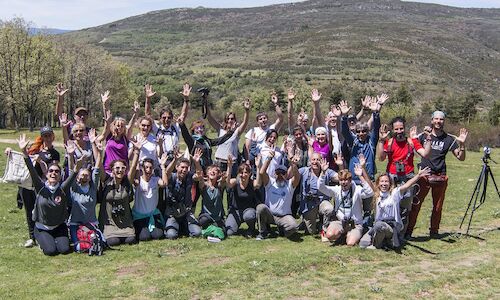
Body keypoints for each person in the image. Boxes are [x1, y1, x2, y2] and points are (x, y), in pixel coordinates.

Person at [406, 111, 468, 238]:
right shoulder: (423, 136)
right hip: (423, 175)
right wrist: (412, 137)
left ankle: (434, 231)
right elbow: (411, 146)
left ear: (444, 121)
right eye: (436, 119)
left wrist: (462, 144)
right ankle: (408, 231)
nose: (438, 121)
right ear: (432, 120)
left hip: (440, 176)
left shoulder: (449, 139)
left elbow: (460, 158)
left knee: (437, 207)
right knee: (416, 204)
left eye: (441, 119)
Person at [17, 134, 81, 256]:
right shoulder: (40, 187)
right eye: (51, 171)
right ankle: (41, 240)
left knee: (64, 250)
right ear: (46, 174)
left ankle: (57, 239)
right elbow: (31, 169)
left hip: (58, 227)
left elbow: (73, 174)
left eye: (57, 171)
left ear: (60, 175)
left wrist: (71, 155)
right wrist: (24, 152)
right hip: (42, 228)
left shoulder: (62, 188)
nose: (53, 173)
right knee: (51, 251)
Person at [5, 125, 60, 248]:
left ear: (53, 136)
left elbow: (51, 172)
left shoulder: (54, 154)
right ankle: (32, 237)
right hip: (26, 185)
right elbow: (22, 158)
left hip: (39, 186)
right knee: (29, 211)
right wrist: (9, 151)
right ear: (42, 137)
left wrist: (41, 162)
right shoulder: (34, 149)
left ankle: (43, 235)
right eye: (45, 136)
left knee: (40, 211)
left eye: (49, 135)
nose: (47, 138)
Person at [377, 117, 431, 235]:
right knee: (390, 205)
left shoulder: (412, 141)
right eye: (396, 129)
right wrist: (381, 141)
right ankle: (389, 233)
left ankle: (401, 235)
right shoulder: (389, 142)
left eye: (401, 128)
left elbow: (425, 154)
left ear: (404, 128)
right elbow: (381, 158)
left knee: (405, 208)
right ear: (392, 130)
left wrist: (428, 139)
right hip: (392, 177)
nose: (399, 131)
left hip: (408, 177)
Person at [359, 167, 431, 249]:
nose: (384, 184)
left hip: (392, 226)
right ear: (378, 183)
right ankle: (385, 242)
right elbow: (368, 182)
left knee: (379, 226)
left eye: (386, 181)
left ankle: (377, 245)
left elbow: (407, 185)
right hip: (378, 226)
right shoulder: (377, 194)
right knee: (363, 244)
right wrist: (363, 168)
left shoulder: (395, 193)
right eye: (382, 181)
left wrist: (418, 176)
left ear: (390, 183)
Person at [318, 157, 374, 246]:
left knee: (350, 243)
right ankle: (342, 234)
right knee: (329, 235)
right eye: (341, 180)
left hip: (355, 224)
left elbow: (370, 192)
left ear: (350, 181)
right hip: (340, 221)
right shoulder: (336, 190)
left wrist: (360, 176)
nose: (343, 182)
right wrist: (323, 172)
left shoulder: (357, 190)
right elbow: (321, 187)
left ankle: (349, 235)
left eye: (346, 180)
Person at [98, 136, 143, 246]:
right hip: (109, 223)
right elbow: (99, 167)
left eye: (123, 168)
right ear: (112, 170)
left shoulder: (127, 182)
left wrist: (137, 151)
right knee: (113, 242)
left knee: (130, 240)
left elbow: (132, 168)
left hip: (125, 222)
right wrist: (99, 152)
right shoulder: (106, 180)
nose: (120, 170)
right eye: (117, 168)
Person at [67, 130, 102, 251]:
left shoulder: (93, 188)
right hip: (75, 224)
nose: (84, 177)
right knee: (79, 247)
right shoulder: (74, 188)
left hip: (91, 223)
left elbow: (97, 169)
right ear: (77, 177)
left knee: (99, 242)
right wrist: (71, 156)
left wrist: (99, 152)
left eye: (87, 175)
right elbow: (71, 172)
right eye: (82, 175)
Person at [255, 150, 300, 240]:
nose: (280, 175)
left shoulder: (290, 184)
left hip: (284, 216)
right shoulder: (270, 182)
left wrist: (293, 164)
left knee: (294, 227)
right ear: (274, 174)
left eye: (283, 173)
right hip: (270, 215)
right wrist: (269, 159)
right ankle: (263, 232)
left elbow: (297, 177)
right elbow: (262, 172)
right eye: (277, 173)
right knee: (260, 207)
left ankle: (282, 231)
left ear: (286, 174)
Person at [144, 83, 191, 163]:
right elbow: (148, 115)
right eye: (164, 118)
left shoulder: (175, 128)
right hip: (159, 162)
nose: (166, 120)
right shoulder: (157, 128)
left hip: (174, 162)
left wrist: (186, 100)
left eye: (169, 118)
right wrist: (148, 99)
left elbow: (183, 115)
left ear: (172, 119)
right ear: (160, 119)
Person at [298, 152, 341, 236]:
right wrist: (293, 164)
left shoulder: (327, 171)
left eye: (318, 160)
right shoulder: (304, 171)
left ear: (322, 161)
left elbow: (340, 177)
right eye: (313, 159)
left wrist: (340, 166)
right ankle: (313, 223)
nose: (315, 162)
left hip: (323, 201)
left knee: (329, 209)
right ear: (310, 161)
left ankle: (324, 229)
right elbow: (293, 175)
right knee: (311, 232)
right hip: (309, 204)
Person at [163, 151, 201, 239]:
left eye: (186, 168)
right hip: (172, 213)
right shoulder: (171, 177)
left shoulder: (189, 176)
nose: (184, 170)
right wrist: (175, 160)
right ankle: (178, 227)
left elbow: (199, 176)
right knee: (171, 235)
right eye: (182, 167)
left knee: (197, 233)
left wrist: (196, 162)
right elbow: (166, 173)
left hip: (186, 212)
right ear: (176, 167)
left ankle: (183, 227)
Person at [208, 98, 250, 176]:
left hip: (231, 163)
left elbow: (245, 122)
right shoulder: (220, 129)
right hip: (219, 162)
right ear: (225, 120)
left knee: (230, 186)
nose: (230, 120)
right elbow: (209, 118)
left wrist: (247, 111)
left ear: (235, 120)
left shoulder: (237, 131)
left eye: (232, 118)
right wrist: (206, 103)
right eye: (228, 118)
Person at [131, 154, 169, 242]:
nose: (148, 170)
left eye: (150, 168)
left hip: (152, 214)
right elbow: (135, 178)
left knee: (158, 235)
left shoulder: (155, 179)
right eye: (146, 167)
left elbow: (164, 184)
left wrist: (163, 167)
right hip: (139, 216)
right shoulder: (138, 180)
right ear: (142, 168)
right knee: (144, 237)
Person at [97, 99, 139, 174]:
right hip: (108, 170)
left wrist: (135, 114)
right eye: (118, 125)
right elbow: (107, 119)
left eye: (122, 126)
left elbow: (130, 126)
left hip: (122, 171)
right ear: (114, 126)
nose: (119, 127)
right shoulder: (109, 136)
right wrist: (105, 105)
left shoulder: (125, 138)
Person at [224, 155, 261, 237]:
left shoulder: (252, 183)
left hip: (248, 210)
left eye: (246, 172)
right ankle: (235, 226)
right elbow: (228, 183)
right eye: (241, 172)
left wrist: (258, 167)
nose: (243, 175)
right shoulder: (235, 182)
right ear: (238, 173)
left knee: (249, 216)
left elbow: (258, 184)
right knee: (229, 233)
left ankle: (251, 229)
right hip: (236, 211)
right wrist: (229, 167)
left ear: (250, 173)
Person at [193, 149, 226, 234]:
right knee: (204, 220)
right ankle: (211, 228)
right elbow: (200, 176)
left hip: (217, 218)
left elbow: (224, 180)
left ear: (218, 174)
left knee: (225, 232)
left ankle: (210, 229)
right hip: (206, 217)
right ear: (207, 173)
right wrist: (197, 162)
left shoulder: (219, 187)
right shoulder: (204, 186)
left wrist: (229, 166)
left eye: (215, 171)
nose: (213, 171)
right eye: (210, 170)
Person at [244, 91, 283, 160]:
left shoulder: (271, 129)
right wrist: (247, 160)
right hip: (256, 157)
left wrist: (276, 104)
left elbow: (281, 118)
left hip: (269, 156)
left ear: (267, 119)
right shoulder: (253, 130)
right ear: (257, 121)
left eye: (264, 118)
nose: (263, 120)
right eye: (260, 119)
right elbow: (247, 146)